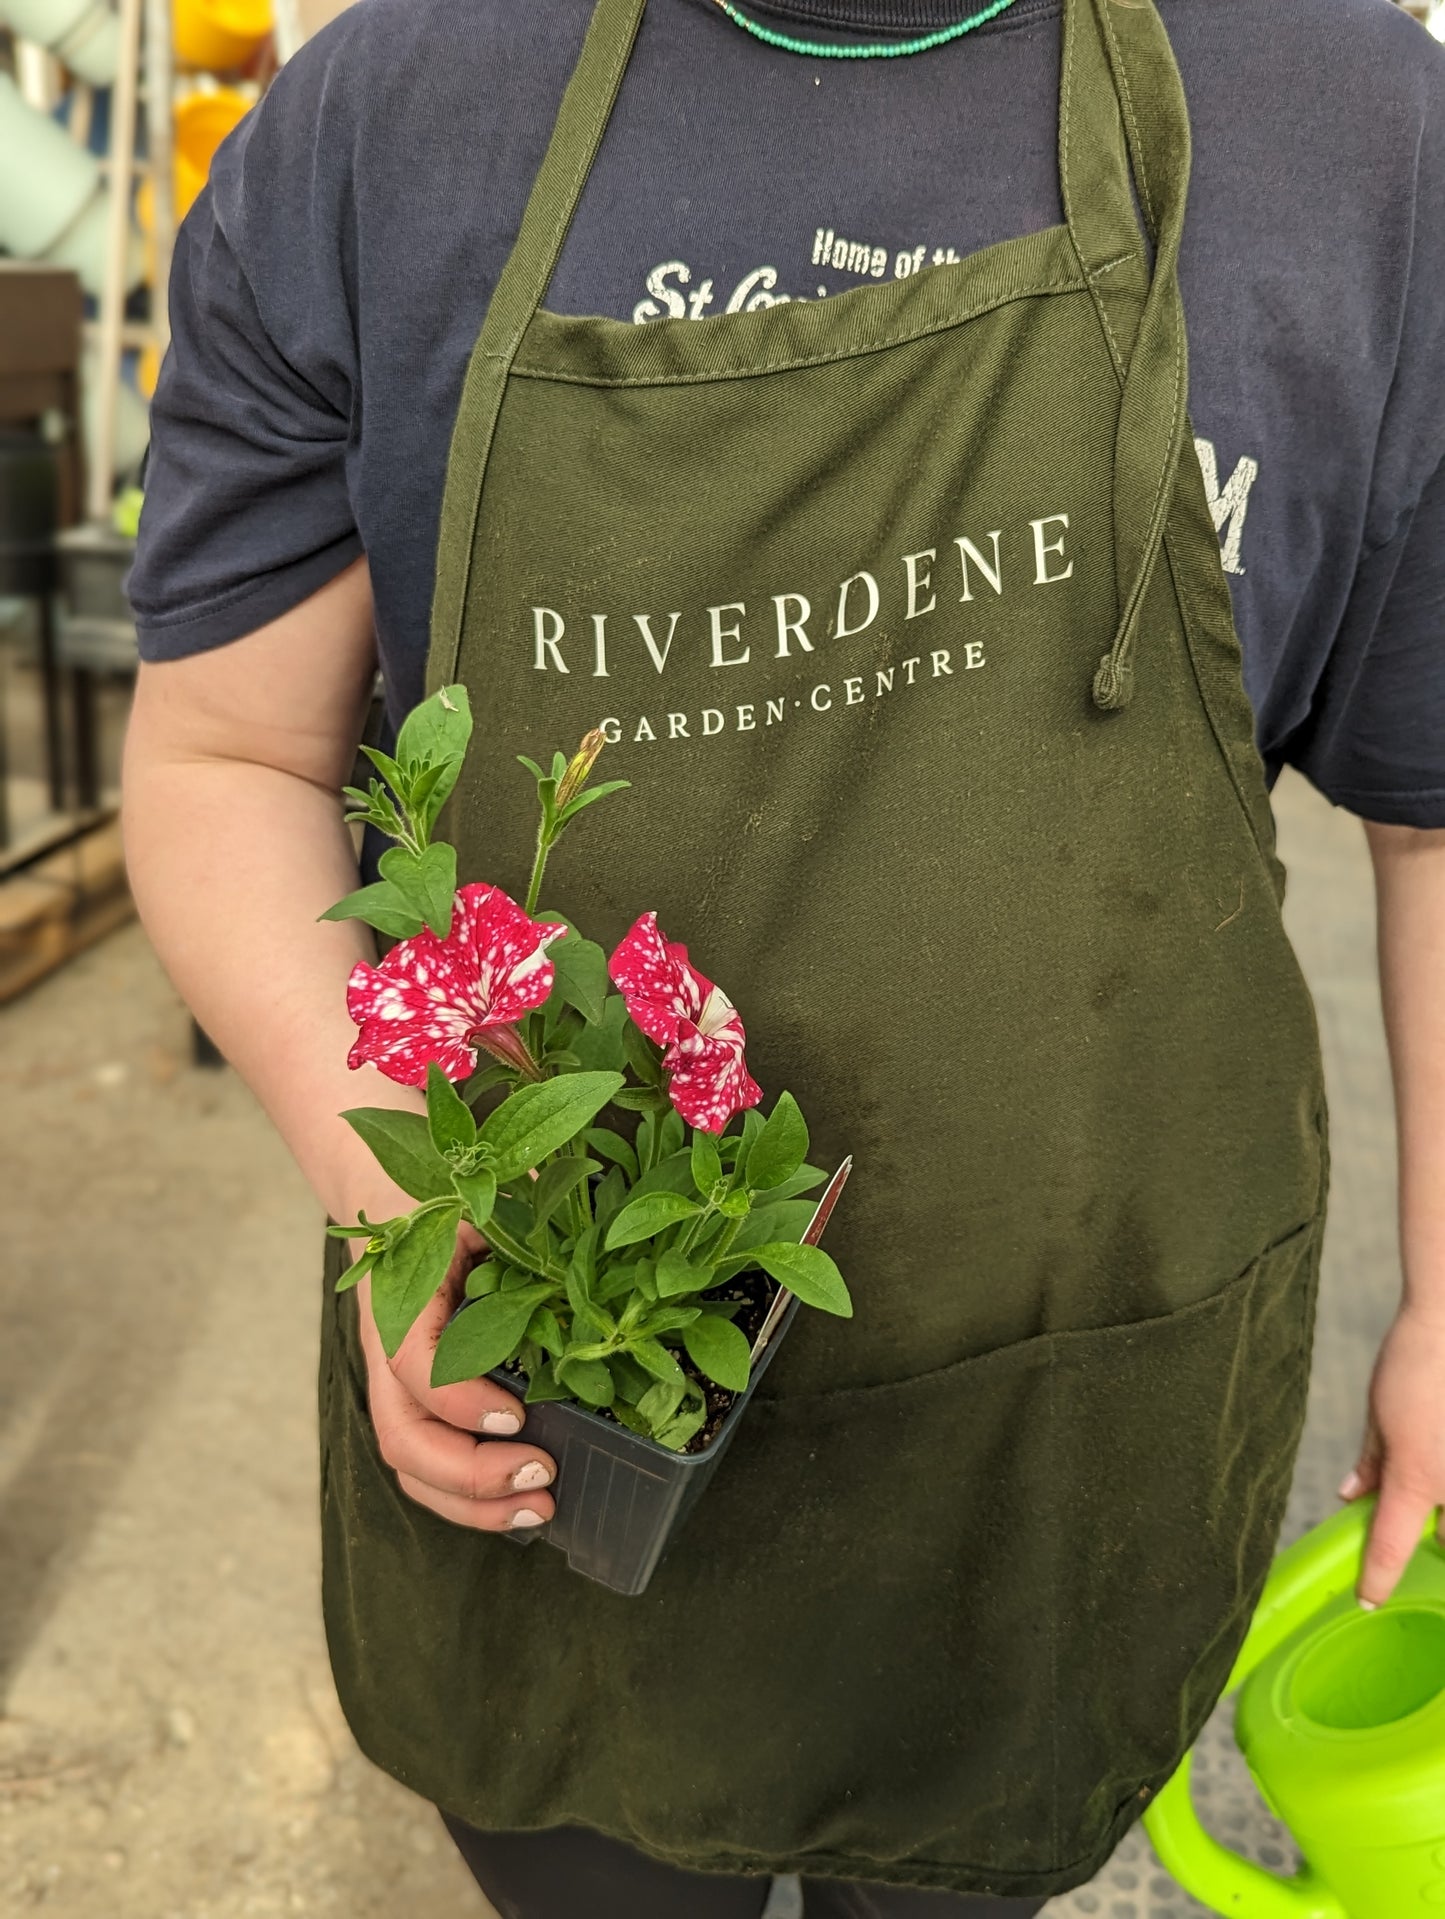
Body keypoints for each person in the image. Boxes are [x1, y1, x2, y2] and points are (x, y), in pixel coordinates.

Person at [121, 0, 1445, 1913]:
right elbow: (228, 750)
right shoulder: (394, 119)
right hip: (565, 1433)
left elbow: (1428, 803)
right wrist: (410, 1197)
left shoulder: (1356, 133)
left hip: (1060, 1458)